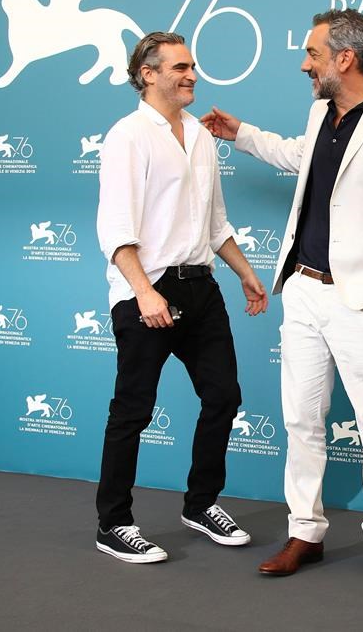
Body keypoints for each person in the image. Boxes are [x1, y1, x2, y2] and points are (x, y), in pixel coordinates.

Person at [202, 9, 363, 585]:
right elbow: (300, 159)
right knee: (302, 421)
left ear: (344, 59)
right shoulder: (318, 113)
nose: (304, 64)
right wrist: (243, 136)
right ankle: (305, 532)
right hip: (303, 290)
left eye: (312, 54)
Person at [94, 31, 268, 564]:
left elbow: (213, 221)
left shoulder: (199, 134)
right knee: (133, 410)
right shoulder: (128, 136)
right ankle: (113, 523)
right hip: (147, 289)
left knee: (223, 396)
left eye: (193, 66)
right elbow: (116, 228)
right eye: (180, 67)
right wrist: (144, 292)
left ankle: (201, 504)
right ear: (148, 74)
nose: (192, 75)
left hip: (201, 284)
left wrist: (244, 272)